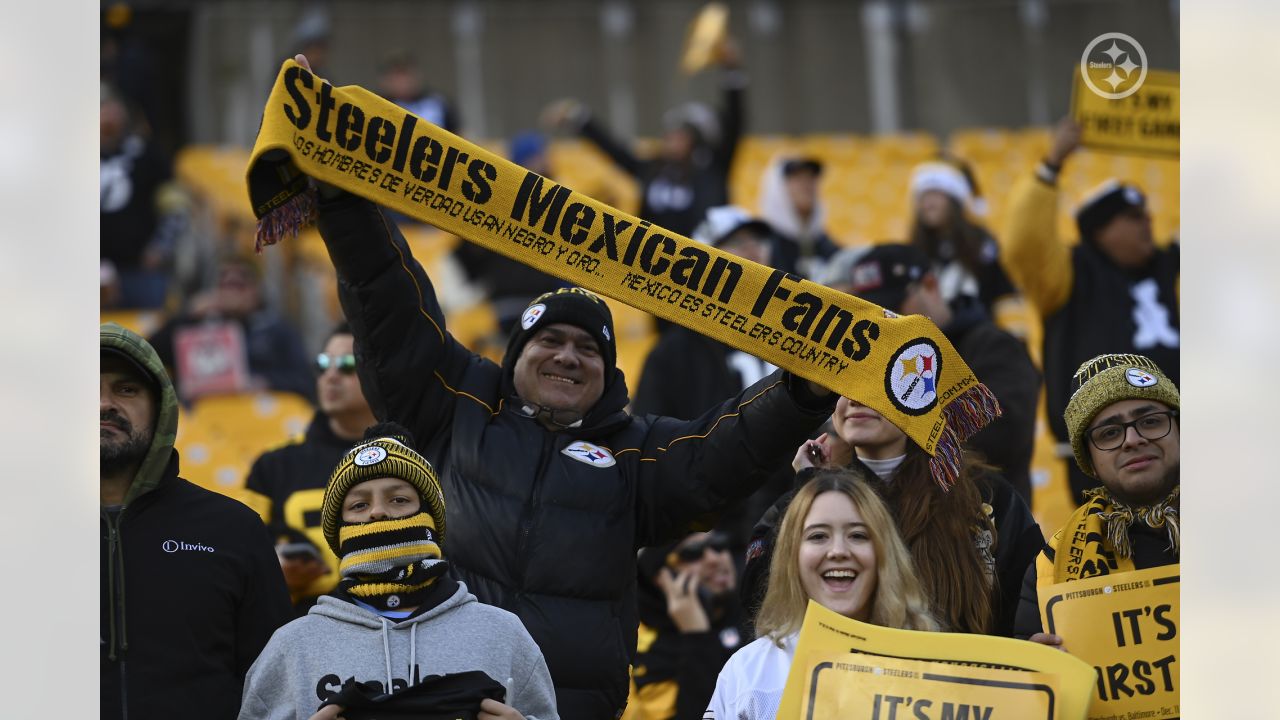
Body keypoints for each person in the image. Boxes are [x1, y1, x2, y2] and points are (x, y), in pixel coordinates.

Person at [294, 47, 838, 714]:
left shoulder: (636, 454)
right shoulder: (455, 401)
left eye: (589, 349)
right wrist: (342, 192)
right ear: (517, 352)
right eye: (550, 340)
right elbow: (385, 300)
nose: (568, 357)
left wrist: (806, 390)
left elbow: (727, 451)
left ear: (608, 372)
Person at [239, 424, 558, 720]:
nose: (378, 511)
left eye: (399, 499)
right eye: (358, 505)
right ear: (338, 533)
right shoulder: (292, 646)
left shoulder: (502, 634)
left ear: (431, 518)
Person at [741, 385, 1044, 638]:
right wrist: (807, 492)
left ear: (920, 396)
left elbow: (1031, 598)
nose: (855, 398)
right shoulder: (810, 490)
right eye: (843, 385)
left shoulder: (983, 495)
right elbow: (760, 598)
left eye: (877, 385)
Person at [101, 322, 292, 720]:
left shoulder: (232, 529)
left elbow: (276, 688)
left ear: (161, 408)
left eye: (126, 389)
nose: (104, 404)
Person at [1002, 118, 1179, 504]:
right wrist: (1050, 166)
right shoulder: (1069, 274)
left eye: (1147, 214)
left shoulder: (1170, 266)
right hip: (1106, 452)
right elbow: (1022, 243)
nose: (1149, 223)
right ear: (1100, 230)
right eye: (1134, 217)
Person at [706, 470, 937, 719]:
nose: (838, 551)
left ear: (884, 554)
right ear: (791, 556)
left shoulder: (932, 668)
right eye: (818, 536)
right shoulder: (747, 673)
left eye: (857, 535)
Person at [824, 243, 1040, 501]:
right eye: (878, 314)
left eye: (896, 307)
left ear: (930, 285)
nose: (890, 322)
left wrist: (894, 434)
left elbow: (1002, 436)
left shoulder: (993, 347)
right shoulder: (880, 358)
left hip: (989, 518)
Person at [1015, 354, 1179, 646]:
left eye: (1151, 421)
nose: (1132, 440)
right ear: (1089, 459)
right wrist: (1037, 665)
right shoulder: (1052, 562)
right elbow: (1030, 678)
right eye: (1110, 433)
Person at [542, 38, 745, 238]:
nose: (671, 140)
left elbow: (736, 122)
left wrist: (731, 70)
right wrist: (578, 118)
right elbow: (614, 150)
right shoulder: (652, 169)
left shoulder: (712, 169)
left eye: (680, 135)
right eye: (669, 134)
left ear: (695, 141)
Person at [244, 322, 378, 615]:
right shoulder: (274, 466)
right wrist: (274, 569)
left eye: (346, 365)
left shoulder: (414, 457)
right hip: (306, 625)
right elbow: (239, 560)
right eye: (323, 364)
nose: (331, 376)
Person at [148, 255, 314, 402]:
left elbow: (304, 380)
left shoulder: (278, 329)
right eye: (224, 284)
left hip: (258, 410)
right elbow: (150, 356)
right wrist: (187, 315)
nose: (230, 293)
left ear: (255, 291)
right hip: (205, 414)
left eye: (238, 285)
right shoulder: (195, 324)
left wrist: (265, 381)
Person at [626, 531, 747, 720]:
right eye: (693, 553)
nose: (714, 559)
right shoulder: (640, 645)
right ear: (661, 577)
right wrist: (697, 636)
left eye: (718, 544)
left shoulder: (754, 609)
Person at [101, 80, 178, 309]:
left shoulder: (147, 154)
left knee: (147, 340)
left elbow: (176, 206)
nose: (106, 116)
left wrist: (161, 247)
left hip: (140, 271)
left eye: (111, 107)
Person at [907, 158, 1017, 313]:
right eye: (924, 196)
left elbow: (1001, 293)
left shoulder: (981, 242)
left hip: (978, 328)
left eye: (936, 194)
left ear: (954, 200)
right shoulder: (915, 248)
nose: (929, 203)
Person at [757, 156, 840, 280]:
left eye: (810, 178)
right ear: (777, 187)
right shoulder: (763, 243)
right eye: (797, 178)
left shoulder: (822, 241)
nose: (806, 184)